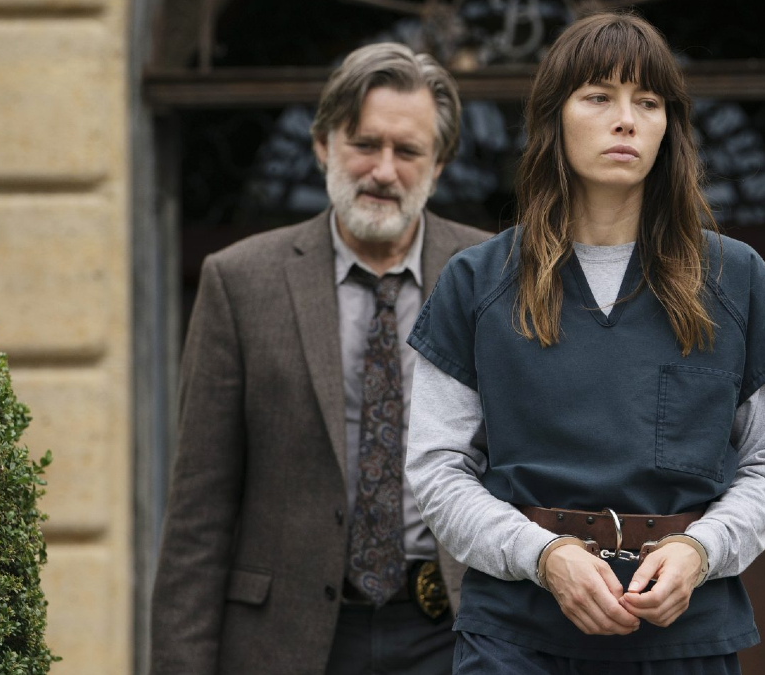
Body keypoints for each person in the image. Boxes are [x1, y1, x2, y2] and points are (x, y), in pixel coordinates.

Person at [405, 12, 765, 675]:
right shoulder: (476, 282)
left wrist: (700, 551)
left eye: (647, 102)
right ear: (553, 118)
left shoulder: (738, 279)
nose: (626, 120)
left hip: (685, 636)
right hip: (515, 637)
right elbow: (438, 469)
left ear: (669, 126)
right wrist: (543, 555)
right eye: (598, 97)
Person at [150, 42, 489, 675]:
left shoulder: (492, 277)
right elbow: (199, 512)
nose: (383, 171)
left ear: (439, 166)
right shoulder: (240, 281)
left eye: (408, 151)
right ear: (322, 146)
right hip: (287, 640)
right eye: (364, 143)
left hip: (454, 635)